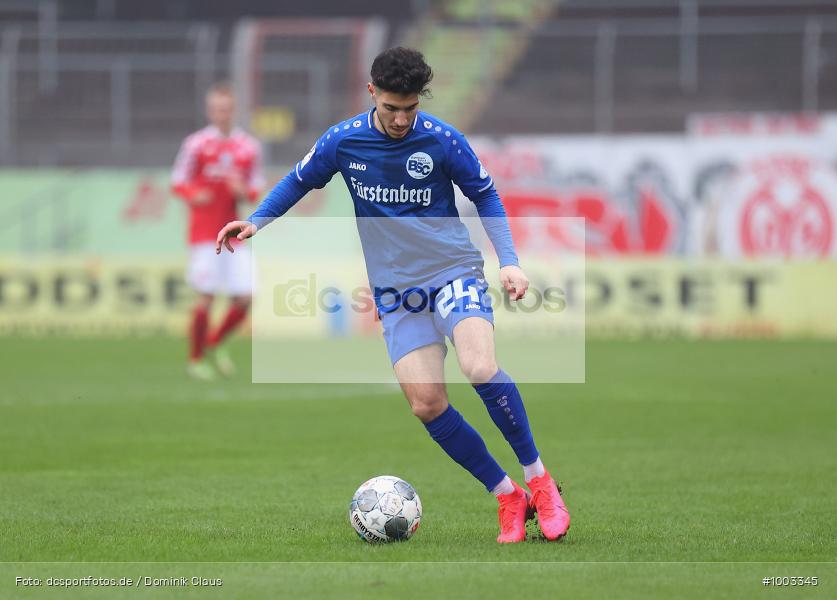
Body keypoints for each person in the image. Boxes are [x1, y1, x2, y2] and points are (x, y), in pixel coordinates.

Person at [215, 48, 569, 543]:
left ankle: (540, 481)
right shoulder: (343, 142)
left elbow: (485, 193)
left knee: (479, 367)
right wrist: (256, 220)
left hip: (453, 272)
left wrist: (508, 259)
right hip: (397, 292)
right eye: (391, 109)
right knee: (426, 403)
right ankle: (507, 494)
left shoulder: (443, 140)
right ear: (371, 94)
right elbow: (299, 181)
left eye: (410, 108)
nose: (401, 119)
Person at [172, 82, 264, 380]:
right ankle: (196, 358)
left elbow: (254, 190)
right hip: (203, 233)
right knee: (206, 298)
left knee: (246, 297)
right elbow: (178, 181)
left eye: (225, 109)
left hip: (234, 234)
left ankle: (213, 342)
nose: (220, 114)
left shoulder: (248, 147)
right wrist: (193, 194)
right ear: (209, 111)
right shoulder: (196, 145)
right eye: (215, 109)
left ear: (232, 110)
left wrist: (243, 191)